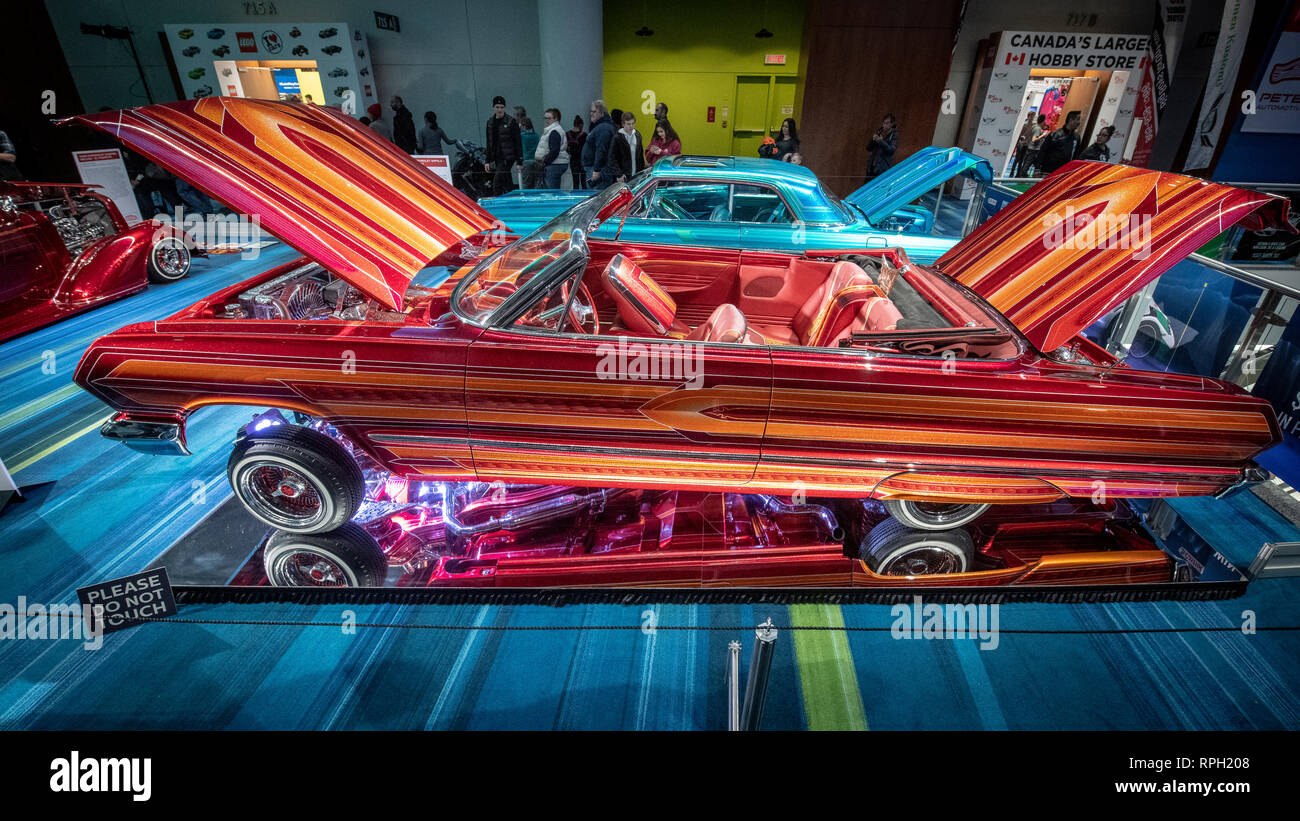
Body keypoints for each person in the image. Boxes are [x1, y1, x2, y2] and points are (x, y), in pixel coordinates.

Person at [484, 95, 522, 195]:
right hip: (496, 157)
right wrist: (487, 160)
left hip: (507, 157)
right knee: (507, 181)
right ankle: (513, 200)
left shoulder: (511, 122)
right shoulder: (490, 122)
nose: (499, 109)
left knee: (497, 183)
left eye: (501, 107)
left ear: (504, 108)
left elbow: (517, 141)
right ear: (493, 108)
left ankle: (497, 203)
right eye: (497, 107)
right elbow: (489, 142)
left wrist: (519, 161)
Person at [582, 99, 617, 189]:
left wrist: (596, 170)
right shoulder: (602, 127)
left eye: (594, 111)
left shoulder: (603, 128)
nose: (591, 114)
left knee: (596, 198)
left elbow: (601, 150)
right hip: (598, 168)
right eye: (591, 111)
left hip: (599, 170)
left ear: (602, 113)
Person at [531, 108, 569, 189]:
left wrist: (544, 162)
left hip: (554, 164)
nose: (546, 120)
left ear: (556, 119)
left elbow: (554, 151)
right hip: (555, 163)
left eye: (549, 118)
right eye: (545, 118)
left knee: (551, 192)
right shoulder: (555, 130)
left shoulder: (554, 131)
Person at [1037, 109, 1081, 175]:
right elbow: (1043, 151)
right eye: (1078, 119)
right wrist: (1037, 168)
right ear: (1071, 120)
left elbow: (1076, 155)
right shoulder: (1054, 135)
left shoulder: (1077, 137)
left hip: (1064, 173)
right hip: (1048, 171)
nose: (1079, 122)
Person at [612, 110, 645, 181]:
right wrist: (619, 174)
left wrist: (642, 172)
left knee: (636, 192)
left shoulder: (638, 135)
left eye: (633, 123)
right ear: (623, 124)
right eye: (628, 124)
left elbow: (640, 156)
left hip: (637, 174)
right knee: (624, 192)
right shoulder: (617, 137)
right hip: (624, 175)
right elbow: (612, 158)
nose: (631, 126)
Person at [866, 113, 898, 179]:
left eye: (887, 123)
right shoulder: (879, 132)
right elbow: (868, 148)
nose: (884, 125)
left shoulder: (894, 135)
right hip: (871, 168)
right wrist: (873, 140)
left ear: (892, 124)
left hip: (882, 170)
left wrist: (881, 142)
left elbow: (891, 150)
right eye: (884, 123)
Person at [567, 115, 587, 190]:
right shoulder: (584, 135)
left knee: (575, 181)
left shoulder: (567, 134)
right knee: (584, 181)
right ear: (581, 125)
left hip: (573, 159)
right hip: (582, 160)